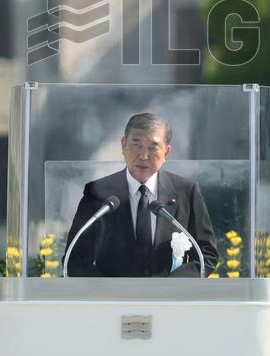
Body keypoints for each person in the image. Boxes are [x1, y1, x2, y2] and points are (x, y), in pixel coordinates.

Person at [64, 112, 218, 277]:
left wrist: (170, 285)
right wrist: (110, 289)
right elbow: (75, 260)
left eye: (153, 148)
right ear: (123, 145)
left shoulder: (186, 192)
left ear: (166, 152)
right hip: (112, 293)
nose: (143, 156)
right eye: (136, 145)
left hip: (168, 293)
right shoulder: (97, 193)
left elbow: (206, 255)